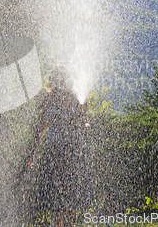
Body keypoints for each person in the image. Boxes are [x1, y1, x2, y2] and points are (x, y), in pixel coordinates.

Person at [27, 67, 91, 227]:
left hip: (72, 152)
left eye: (62, 79)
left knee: (70, 200)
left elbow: (83, 121)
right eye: (57, 79)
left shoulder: (77, 98)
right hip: (53, 153)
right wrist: (32, 152)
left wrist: (87, 124)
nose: (60, 82)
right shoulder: (48, 99)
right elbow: (41, 127)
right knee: (54, 202)